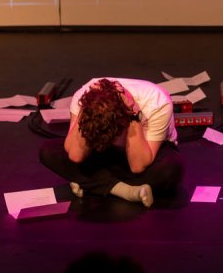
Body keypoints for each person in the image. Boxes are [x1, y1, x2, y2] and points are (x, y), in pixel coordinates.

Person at [39, 77, 183, 206]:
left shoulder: (157, 102)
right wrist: (86, 109)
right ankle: (125, 190)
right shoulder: (83, 96)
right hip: (103, 154)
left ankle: (91, 182)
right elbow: (76, 155)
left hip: (143, 152)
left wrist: (133, 115)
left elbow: (137, 166)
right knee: (48, 151)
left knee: (170, 170)